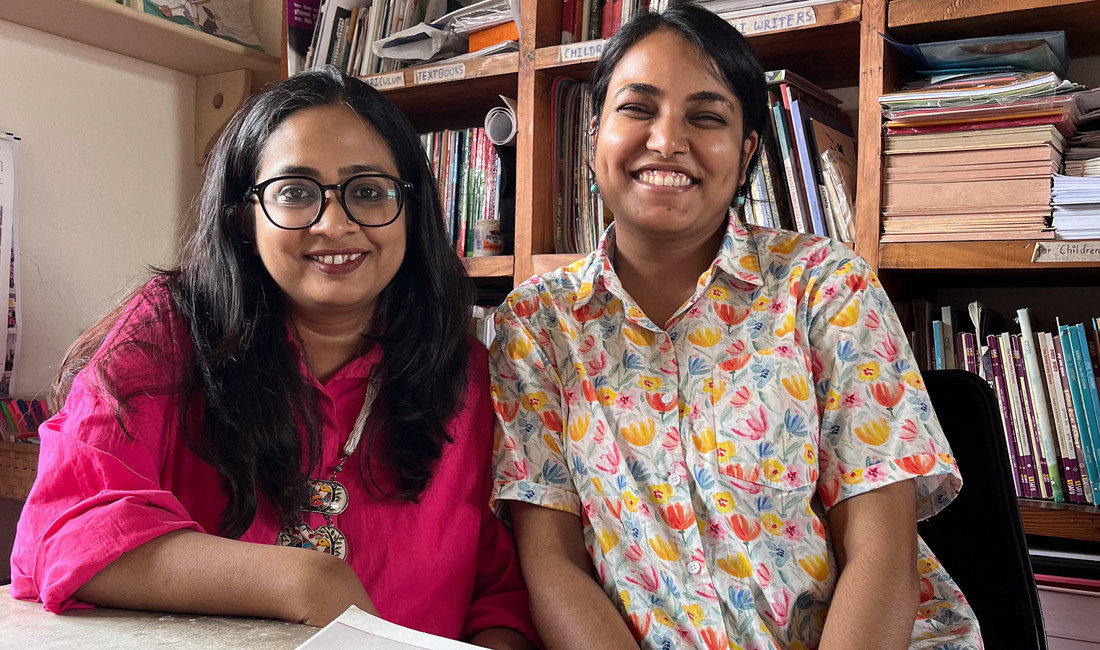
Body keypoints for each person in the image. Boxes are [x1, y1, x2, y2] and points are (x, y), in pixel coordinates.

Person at [489, 4, 981, 649]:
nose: (667, 141)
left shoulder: (826, 287)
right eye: (637, 109)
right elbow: (551, 564)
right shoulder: (535, 323)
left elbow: (880, 550)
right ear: (594, 138)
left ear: (746, 149)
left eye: (706, 116)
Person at [11, 66, 537, 649]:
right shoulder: (169, 332)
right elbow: (64, 532)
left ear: (411, 213)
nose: (336, 224)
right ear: (245, 217)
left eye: (368, 191)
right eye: (295, 193)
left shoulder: (465, 372)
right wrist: (305, 579)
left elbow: (497, 595)